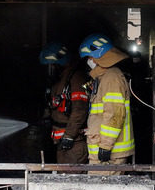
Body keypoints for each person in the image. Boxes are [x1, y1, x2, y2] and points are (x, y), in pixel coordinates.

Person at [79, 33, 135, 174]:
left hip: (110, 155)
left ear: (98, 56)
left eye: (90, 57)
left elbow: (114, 114)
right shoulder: (103, 78)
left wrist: (105, 146)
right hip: (104, 153)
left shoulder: (111, 78)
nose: (89, 61)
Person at [39, 42, 89, 164]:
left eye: (50, 65)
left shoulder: (76, 78)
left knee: (73, 179)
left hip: (74, 142)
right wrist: (47, 116)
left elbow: (79, 110)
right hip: (61, 141)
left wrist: (69, 135)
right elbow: (54, 103)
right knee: (63, 177)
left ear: (60, 63)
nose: (49, 70)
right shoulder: (58, 81)